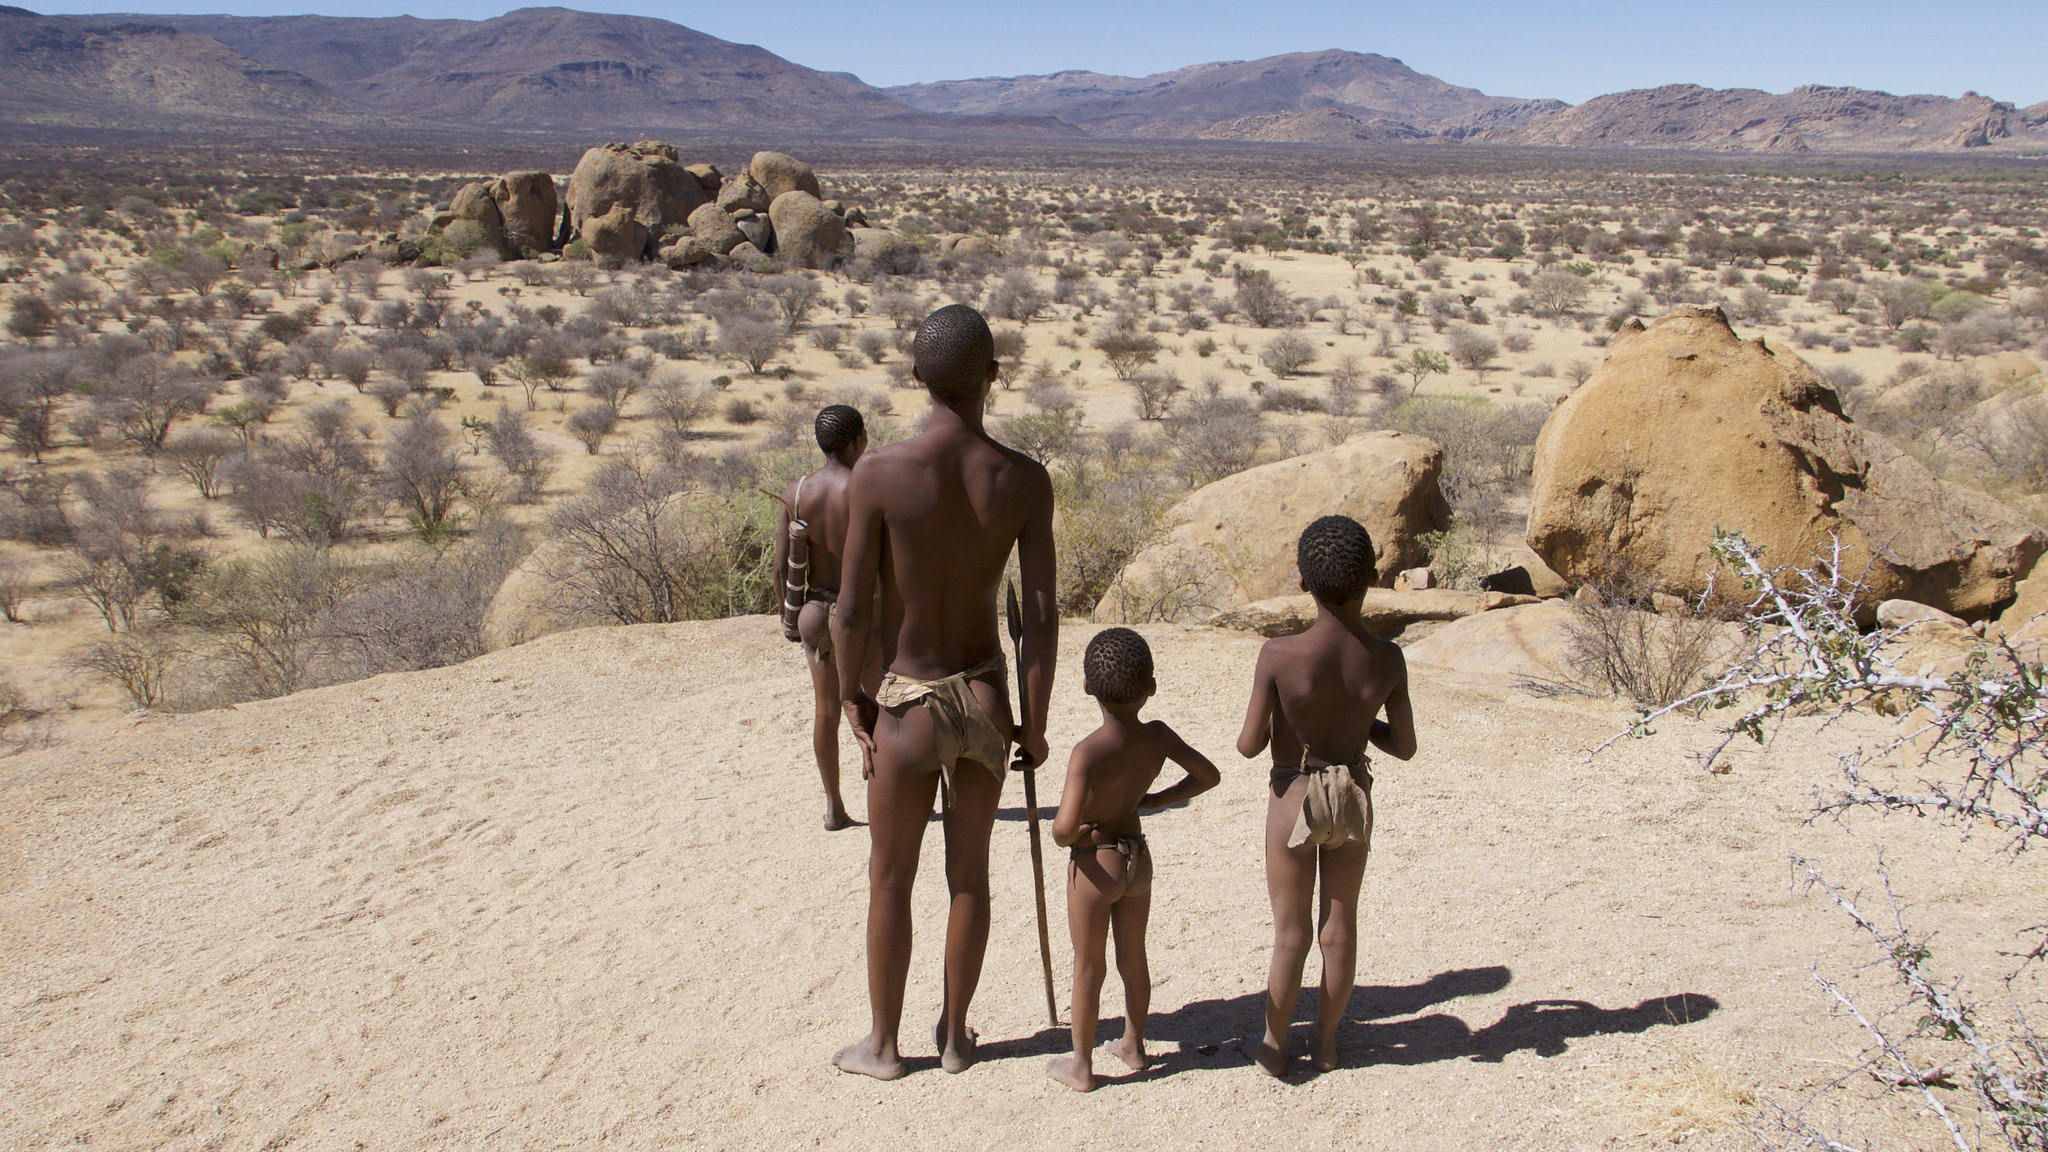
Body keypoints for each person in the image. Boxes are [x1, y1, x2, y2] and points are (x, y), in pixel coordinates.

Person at [830, 304, 1058, 1080]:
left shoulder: (880, 474)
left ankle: (885, 1047)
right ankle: (958, 1037)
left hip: (907, 698)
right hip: (988, 698)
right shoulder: (1024, 480)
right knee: (970, 877)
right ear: (994, 376)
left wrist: (853, 699)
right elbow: (1040, 617)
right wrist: (1035, 721)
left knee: (891, 876)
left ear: (915, 375)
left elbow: (854, 608)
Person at [1236, 515, 1417, 1076]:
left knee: (1290, 931)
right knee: (1338, 927)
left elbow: (1247, 746)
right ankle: (1327, 1041)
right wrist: (1360, 725)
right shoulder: (1387, 658)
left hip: (1295, 791)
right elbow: (1404, 745)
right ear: (1372, 578)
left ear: (1302, 582)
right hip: (1353, 793)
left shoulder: (1279, 656)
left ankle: (1272, 1045)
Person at [1046, 628, 1220, 1092]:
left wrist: (1078, 830)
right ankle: (1133, 1045)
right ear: (1151, 687)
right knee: (1133, 955)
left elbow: (1063, 830)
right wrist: (1157, 800)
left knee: (1088, 965)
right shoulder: (1158, 736)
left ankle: (1080, 1066)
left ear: (1087, 688)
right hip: (1137, 859)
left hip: (1095, 861)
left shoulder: (1088, 752)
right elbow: (1207, 775)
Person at [772, 404, 872, 831]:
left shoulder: (797, 492)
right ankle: (892, 800)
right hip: (859, 615)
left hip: (813, 612)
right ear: (856, 441)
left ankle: (834, 807)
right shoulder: (866, 488)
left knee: (826, 711)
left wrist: (788, 617)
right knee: (876, 704)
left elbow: (780, 568)